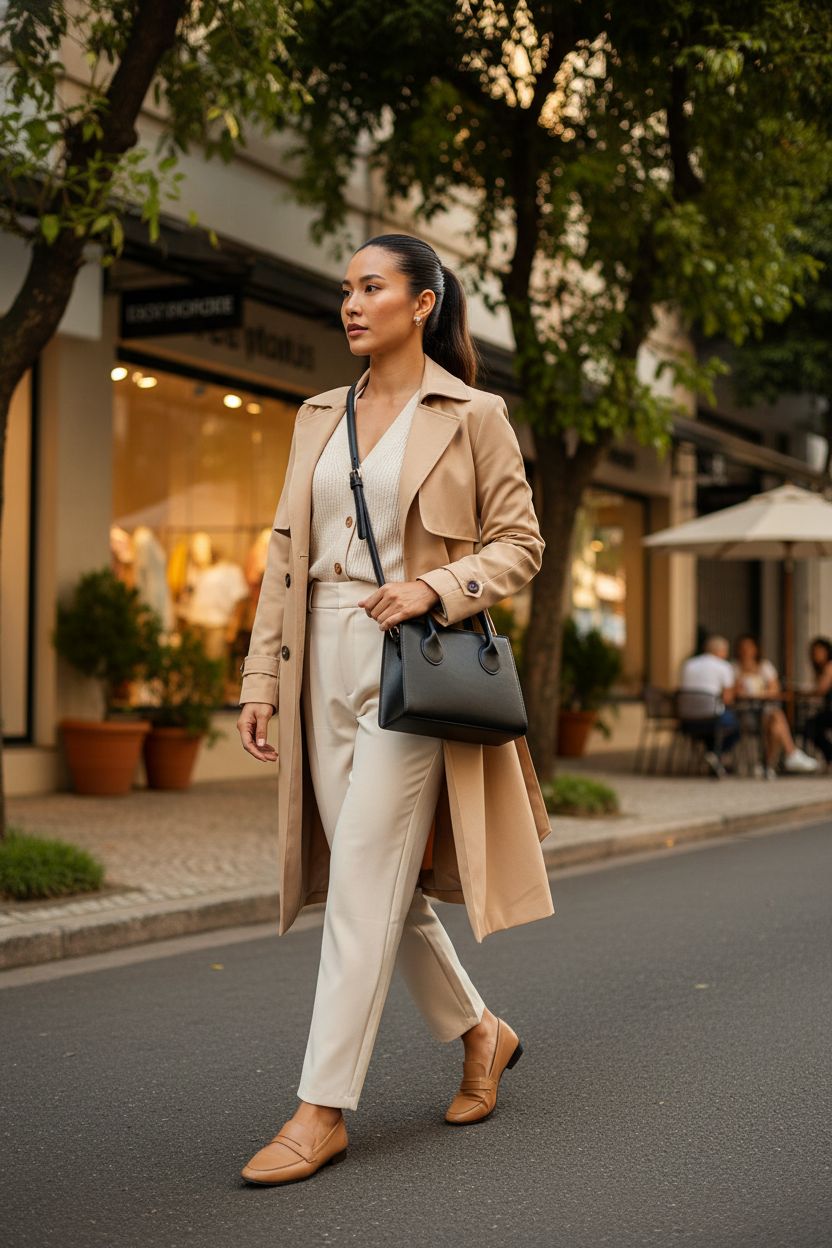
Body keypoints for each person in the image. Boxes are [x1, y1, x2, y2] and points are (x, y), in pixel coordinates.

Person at [235, 233, 554, 1186]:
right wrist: (259, 680)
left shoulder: (472, 414)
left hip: (415, 658)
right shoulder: (318, 415)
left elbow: (520, 543)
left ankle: (321, 1108)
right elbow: (285, 554)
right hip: (315, 657)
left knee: (368, 874)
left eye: (372, 287)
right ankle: (481, 1032)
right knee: (377, 887)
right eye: (346, 289)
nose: (351, 303)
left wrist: (439, 585)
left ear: (422, 304)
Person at [732, 634, 818, 777]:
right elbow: (735, 693)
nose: (746, 651)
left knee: (775, 724)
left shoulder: (764, 666)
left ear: (755, 649)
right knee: (776, 719)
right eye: (743, 648)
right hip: (744, 713)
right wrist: (760, 693)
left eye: (749, 647)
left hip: (764, 711)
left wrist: (757, 693)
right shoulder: (733, 668)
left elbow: (775, 689)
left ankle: (768, 764)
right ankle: (787, 756)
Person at [679, 635, 741, 776]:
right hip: (713, 719)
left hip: (686, 720)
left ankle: (713, 756)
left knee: (715, 723)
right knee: (736, 725)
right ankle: (715, 754)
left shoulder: (688, 664)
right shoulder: (723, 666)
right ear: (720, 651)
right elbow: (728, 699)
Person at [803, 636, 832, 768]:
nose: (816, 655)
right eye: (814, 652)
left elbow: (820, 690)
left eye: (819, 652)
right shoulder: (820, 669)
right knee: (811, 726)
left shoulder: (829, 667)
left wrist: (802, 693)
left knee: (810, 726)